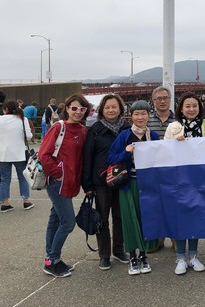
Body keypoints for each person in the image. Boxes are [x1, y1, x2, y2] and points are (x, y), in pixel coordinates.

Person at [39, 94, 91, 277]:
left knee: (55, 219)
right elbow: (43, 154)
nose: (78, 112)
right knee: (68, 222)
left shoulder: (83, 130)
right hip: (58, 183)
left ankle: (50, 260)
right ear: (67, 108)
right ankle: (53, 259)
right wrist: (58, 173)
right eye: (74, 108)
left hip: (71, 182)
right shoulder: (58, 127)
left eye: (82, 109)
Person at [108, 100, 160, 276]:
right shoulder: (124, 135)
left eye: (143, 113)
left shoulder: (153, 136)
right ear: (131, 116)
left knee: (145, 220)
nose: (140, 117)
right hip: (128, 185)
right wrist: (126, 151)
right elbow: (111, 157)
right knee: (129, 220)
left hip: (148, 185)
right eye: (136, 114)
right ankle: (132, 257)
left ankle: (144, 256)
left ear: (148, 115)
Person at [82, 94, 130, 271]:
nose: (111, 110)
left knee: (119, 217)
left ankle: (119, 249)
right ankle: (104, 255)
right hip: (101, 181)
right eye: (107, 107)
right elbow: (87, 158)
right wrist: (87, 185)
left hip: (122, 178)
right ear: (102, 109)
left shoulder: (127, 128)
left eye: (114, 107)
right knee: (102, 218)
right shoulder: (94, 129)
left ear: (120, 109)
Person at [164, 92, 205, 275]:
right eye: (187, 106)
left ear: (200, 108)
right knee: (180, 217)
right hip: (179, 179)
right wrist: (176, 143)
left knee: (196, 217)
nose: (191, 109)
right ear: (181, 109)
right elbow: (164, 151)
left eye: (195, 106)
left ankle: (193, 255)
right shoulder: (174, 127)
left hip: (200, 178)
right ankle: (181, 257)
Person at [147, 86, 174, 251]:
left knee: (173, 205)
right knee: (155, 205)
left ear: (170, 100)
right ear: (153, 101)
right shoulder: (147, 120)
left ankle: (175, 237)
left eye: (165, 98)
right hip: (154, 169)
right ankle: (158, 237)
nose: (162, 101)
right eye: (159, 99)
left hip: (173, 170)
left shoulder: (178, 120)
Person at [0, 99, 34, 212]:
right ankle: (26, 201)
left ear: (6, 109)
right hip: (19, 153)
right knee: (23, 177)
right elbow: (28, 136)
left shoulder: (0, 120)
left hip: (3, 154)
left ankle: (5, 203)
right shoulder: (22, 119)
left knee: (5, 179)